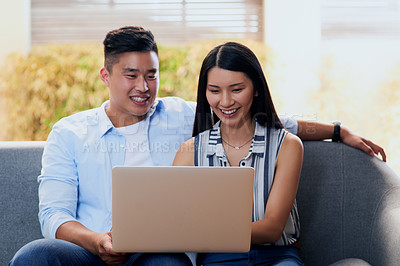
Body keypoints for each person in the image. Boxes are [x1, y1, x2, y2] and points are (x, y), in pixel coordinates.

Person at [9, 26, 385, 266]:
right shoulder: (69, 132)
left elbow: (263, 119)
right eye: (131, 75)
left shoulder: (179, 116)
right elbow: (54, 215)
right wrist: (97, 241)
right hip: (89, 250)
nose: (144, 86)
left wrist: (336, 130)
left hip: (155, 252)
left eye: (151, 74)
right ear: (106, 76)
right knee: (34, 256)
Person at [173, 41, 305, 265]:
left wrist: (203, 232)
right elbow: (176, 223)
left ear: (256, 89)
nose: (225, 102)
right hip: (218, 259)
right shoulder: (189, 152)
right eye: (214, 91)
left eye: (236, 90)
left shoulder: (288, 146)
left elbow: (272, 228)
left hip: (277, 257)